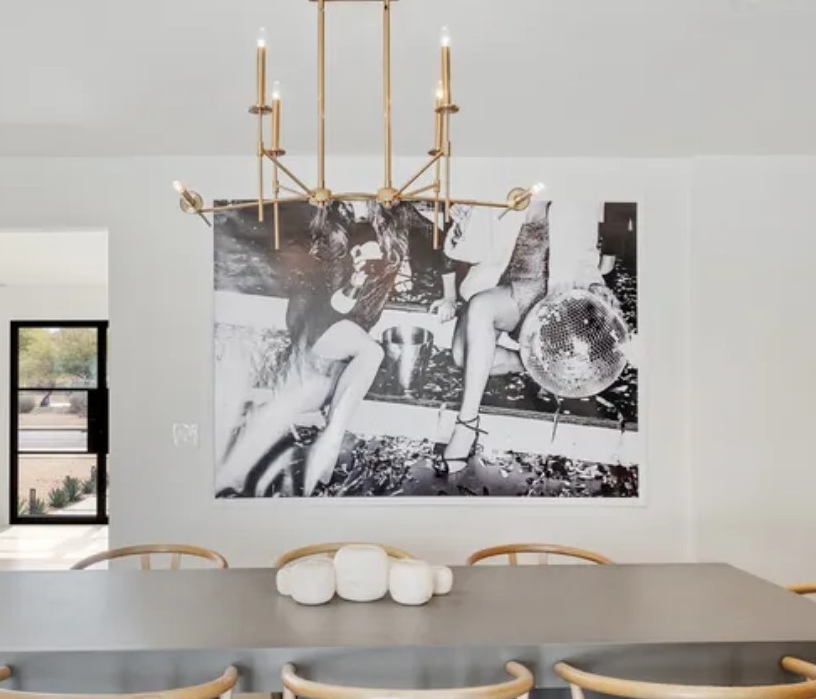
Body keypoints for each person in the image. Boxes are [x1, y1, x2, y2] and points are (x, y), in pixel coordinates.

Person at [215, 206, 404, 495]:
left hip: (347, 335)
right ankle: (329, 441)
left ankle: (238, 474)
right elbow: (331, 305)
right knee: (371, 353)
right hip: (319, 321)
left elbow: (418, 251)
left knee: (293, 408)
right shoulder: (332, 229)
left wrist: (405, 272)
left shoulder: (391, 224)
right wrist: (356, 279)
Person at [432, 198, 609, 475]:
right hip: (502, 287)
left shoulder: (577, 196)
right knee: (462, 358)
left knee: (480, 308)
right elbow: (470, 251)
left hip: (548, 293)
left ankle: (467, 424)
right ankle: (532, 363)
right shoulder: (504, 192)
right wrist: (462, 223)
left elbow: (586, 259)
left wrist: (596, 285)